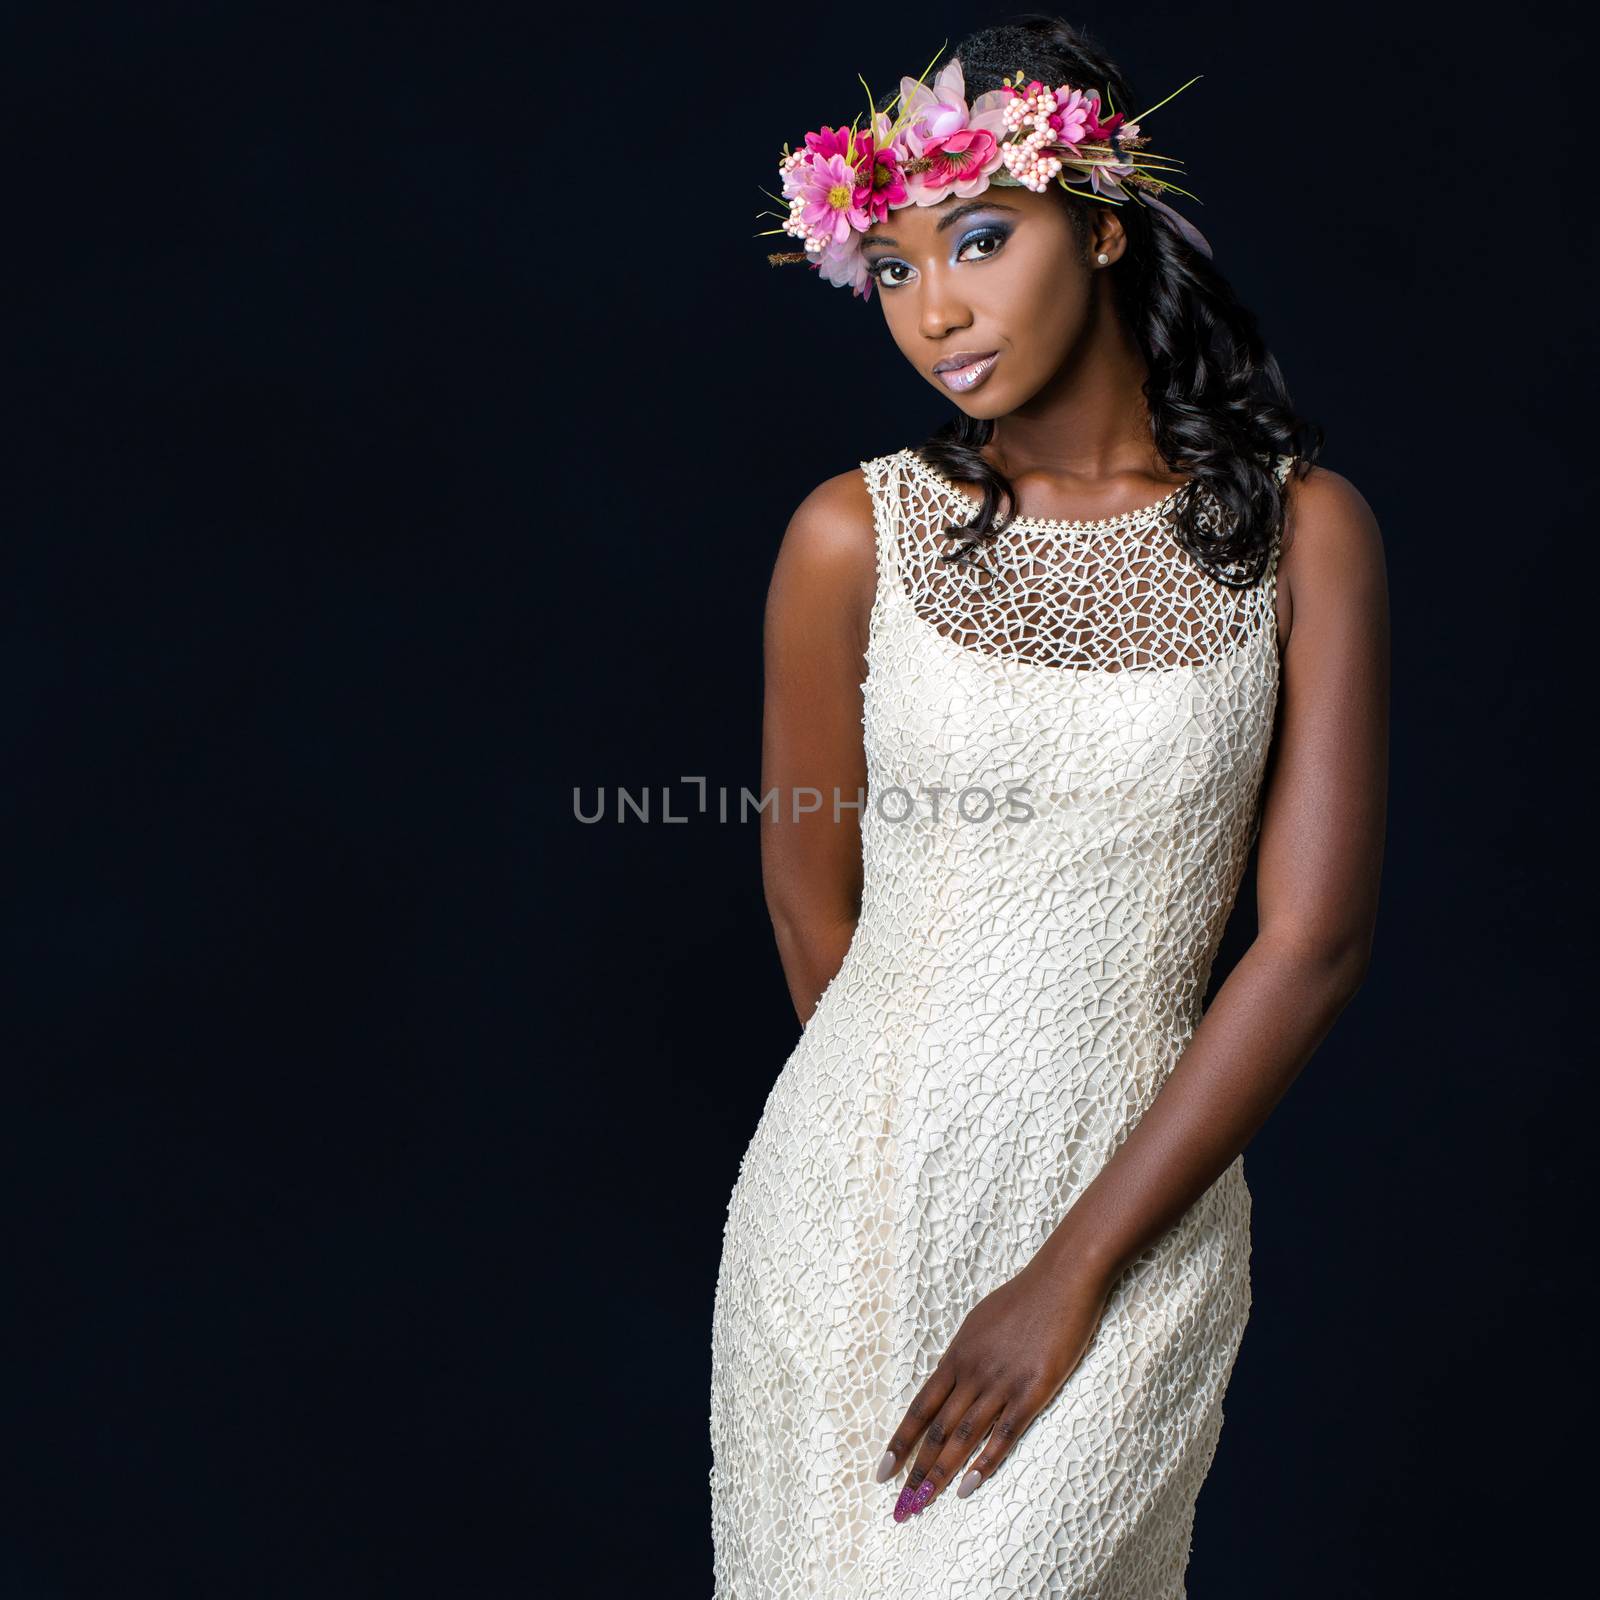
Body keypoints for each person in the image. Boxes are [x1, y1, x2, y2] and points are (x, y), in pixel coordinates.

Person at [709, 17, 1389, 1597]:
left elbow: (1314, 945)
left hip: (1134, 1222)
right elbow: (810, 897)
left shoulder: (1307, 537)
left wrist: (1065, 1270)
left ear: (1097, 220)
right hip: (857, 1206)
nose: (934, 309)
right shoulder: (850, 534)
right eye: (887, 269)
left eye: (979, 240)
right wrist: (904, 1136)